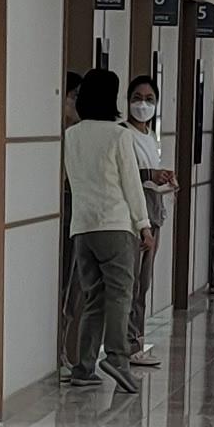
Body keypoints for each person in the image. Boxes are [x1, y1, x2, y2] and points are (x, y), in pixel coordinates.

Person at [61, 68, 150, 393]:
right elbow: (131, 184)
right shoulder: (119, 135)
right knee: (121, 294)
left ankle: (83, 367)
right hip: (115, 226)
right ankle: (117, 357)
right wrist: (144, 225)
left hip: (83, 228)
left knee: (94, 298)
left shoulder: (72, 135)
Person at [124, 75, 176, 363]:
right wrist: (150, 175)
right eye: (137, 98)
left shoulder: (149, 136)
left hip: (153, 209)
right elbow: (128, 174)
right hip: (135, 213)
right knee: (132, 282)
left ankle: (137, 339)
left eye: (149, 99)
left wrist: (163, 178)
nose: (143, 105)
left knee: (143, 282)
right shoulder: (123, 134)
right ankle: (128, 343)